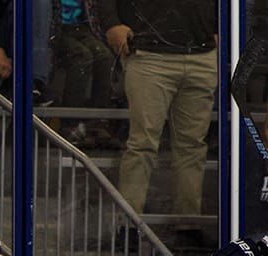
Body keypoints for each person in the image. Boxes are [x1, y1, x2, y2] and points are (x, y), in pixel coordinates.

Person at [89, 1, 217, 224]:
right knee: (145, 144)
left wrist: (220, 28)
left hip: (199, 52)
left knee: (190, 146)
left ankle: (187, 224)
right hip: (151, 52)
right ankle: (128, 224)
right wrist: (111, 25)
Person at [56, 0, 118, 148]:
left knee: (105, 57)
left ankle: (96, 123)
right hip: (57, 28)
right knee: (82, 56)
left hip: (81, 27)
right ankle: (70, 124)